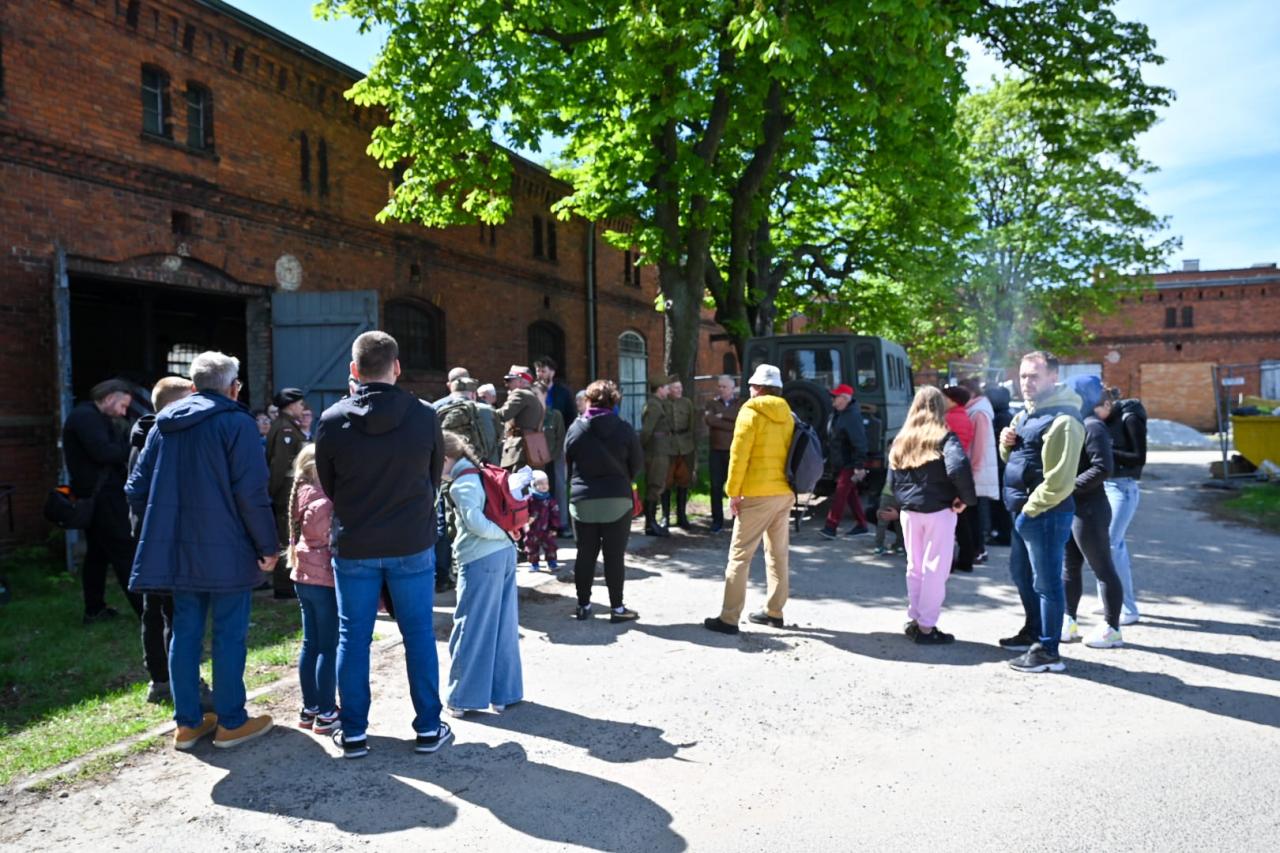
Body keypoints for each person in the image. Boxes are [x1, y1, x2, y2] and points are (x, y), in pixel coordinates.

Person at [126, 351, 277, 750]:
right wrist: (267, 545)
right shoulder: (237, 422)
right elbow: (251, 492)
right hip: (228, 548)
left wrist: (165, 524)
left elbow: (135, 490)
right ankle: (231, 721)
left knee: (185, 632)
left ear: (193, 387)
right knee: (229, 634)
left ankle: (188, 722)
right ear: (234, 387)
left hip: (176, 548)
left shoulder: (162, 425)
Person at [314, 331, 451, 759]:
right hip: (410, 539)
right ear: (396, 368)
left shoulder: (332, 420)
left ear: (354, 371)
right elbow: (433, 478)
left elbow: (329, 483)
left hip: (356, 540)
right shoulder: (425, 415)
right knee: (418, 635)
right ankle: (429, 726)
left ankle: (354, 731)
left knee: (352, 638)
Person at [998, 351, 1085, 674]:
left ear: (1053, 377)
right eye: (1023, 376)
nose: (1026, 382)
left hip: (1044, 515)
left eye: (1034, 376)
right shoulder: (1026, 415)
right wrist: (1006, 442)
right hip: (1023, 513)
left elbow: (1060, 482)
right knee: (1022, 576)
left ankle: (1049, 650)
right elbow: (1014, 461)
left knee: (1047, 583)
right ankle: (1033, 632)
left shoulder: (1064, 421)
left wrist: (1029, 512)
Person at [703, 364, 796, 634]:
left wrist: (733, 491)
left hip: (756, 493)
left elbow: (738, 455)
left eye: (752, 386)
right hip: (784, 492)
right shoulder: (788, 414)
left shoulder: (750, 411)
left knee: (739, 557)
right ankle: (774, 612)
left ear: (756, 387)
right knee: (778, 555)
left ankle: (729, 618)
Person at [439, 432, 522, 716]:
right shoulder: (482, 472)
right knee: (503, 625)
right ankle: (505, 694)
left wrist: (500, 534)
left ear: (447, 459)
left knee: (470, 627)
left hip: (480, 557)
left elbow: (474, 522)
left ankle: (462, 698)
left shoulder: (461, 483)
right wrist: (507, 536)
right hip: (505, 554)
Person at [889, 387, 976, 644]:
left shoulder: (902, 438)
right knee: (935, 569)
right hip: (939, 509)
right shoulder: (945, 437)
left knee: (914, 567)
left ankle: (915, 619)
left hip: (909, 511)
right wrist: (966, 499)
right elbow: (958, 466)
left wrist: (899, 501)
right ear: (940, 407)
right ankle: (927, 627)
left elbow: (892, 475)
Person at [128, 376, 195, 704]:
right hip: (160, 535)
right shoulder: (161, 437)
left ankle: (164, 677)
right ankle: (171, 679)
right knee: (168, 609)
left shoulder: (143, 433)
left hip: (148, 532)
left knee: (158, 608)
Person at [63, 378, 144, 624]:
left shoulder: (92, 417)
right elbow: (104, 452)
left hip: (100, 495)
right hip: (102, 498)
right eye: (122, 406)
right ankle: (146, 611)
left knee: (98, 555)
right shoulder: (86, 417)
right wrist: (134, 448)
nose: (123, 412)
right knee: (124, 550)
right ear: (110, 397)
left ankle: (94, 609)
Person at [565, 380, 643, 622]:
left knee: (585, 554)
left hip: (583, 500)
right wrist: (622, 479)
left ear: (588, 400)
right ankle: (617, 609)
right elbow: (637, 464)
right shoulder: (624, 428)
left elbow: (568, 461)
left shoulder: (576, 429)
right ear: (614, 401)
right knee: (614, 556)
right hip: (617, 499)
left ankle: (583, 606)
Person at [1061, 376, 1125, 649]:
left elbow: (1102, 468)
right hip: (1072, 507)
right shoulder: (1075, 423)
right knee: (1069, 567)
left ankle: (1112, 627)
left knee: (1102, 568)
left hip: (1090, 509)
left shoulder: (1093, 426)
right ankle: (1068, 620)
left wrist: (1068, 487)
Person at [286, 443, 340, 735]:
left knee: (311, 643)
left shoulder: (302, 493)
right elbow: (323, 537)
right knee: (327, 647)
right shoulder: (323, 500)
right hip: (323, 579)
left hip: (303, 575)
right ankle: (327, 711)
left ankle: (310, 708)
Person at [1103, 386, 1147, 625]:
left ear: (1108, 404)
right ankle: (1113, 602)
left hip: (1123, 487)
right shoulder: (1105, 420)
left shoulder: (1130, 418)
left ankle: (1128, 608)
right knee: (1109, 546)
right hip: (1106, 485)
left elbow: (1139, 458)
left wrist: (1106, 450)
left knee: (1111, 544)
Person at [266, 387, 307, 600]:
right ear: (291, 406)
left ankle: (287, 584)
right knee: (286, 537)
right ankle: (283, 587)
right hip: (285, 493)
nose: (302, 408)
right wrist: (273, 493)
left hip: (287, 492)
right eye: (300, 404)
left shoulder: (289, 426)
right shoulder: (286, 430)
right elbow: (280, 466)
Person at [820, 384, 869, 539]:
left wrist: (859, 465)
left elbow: (859, 442)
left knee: (840, 494)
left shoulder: (851, 416)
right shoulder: (837, 414)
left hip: (850, 463)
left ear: (845, 399)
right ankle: (862, 524)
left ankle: (830, 527)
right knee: (849, 494)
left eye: (835, 397)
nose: (832, 399)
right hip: (841, 462)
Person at [960, 378, 999, 565]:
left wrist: (972, 470)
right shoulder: (976, 409)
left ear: (971, 392)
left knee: (973, 515)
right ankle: (977, 549)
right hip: (977, 470)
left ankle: (978, 549)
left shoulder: (979, 412)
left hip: (977, 471)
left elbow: (979, 446)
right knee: (972, 514)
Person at [941, 385, 977, 574]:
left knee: (949, 522)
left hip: (948, 470)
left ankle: (950, 563)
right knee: (961, 520)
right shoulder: (965, 417)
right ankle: (966, 558)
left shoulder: (948, 418)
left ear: (952, 400)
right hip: (961, 469)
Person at [703, 374, 743, 534]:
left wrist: (722, 415)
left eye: (724, 386)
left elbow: (740, 420)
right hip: (716, 451)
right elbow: (710, 421)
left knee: (735, 487)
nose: (721, 389)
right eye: (719, 386)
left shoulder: (740, 403)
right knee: (716, 486)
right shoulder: (711, 403)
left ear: (733, 388)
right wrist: (729, 419)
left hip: (735, 451)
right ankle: (717, 520)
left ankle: (736, 520)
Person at [639, 375, 674, 536]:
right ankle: (650, 523)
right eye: (666, 387)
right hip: (656, 452)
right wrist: (644, 449)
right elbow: (647, 431)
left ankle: (651, 522)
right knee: (654, 486)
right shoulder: (653, 406)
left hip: (660, 450)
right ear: (659, 389)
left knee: (657, 485)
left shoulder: (659, 404)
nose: (668, 390)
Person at [533, 380, 569, 535]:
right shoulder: (529, 416)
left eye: (536, 394)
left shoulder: (554, 415)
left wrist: (551, 456)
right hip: (535, 462)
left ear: (545, 394)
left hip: (554, 458)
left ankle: (561, 524)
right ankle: (538, 525)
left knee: (558, 489)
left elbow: (561, 438)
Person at [662, 377, 698, 530]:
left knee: (683, 482)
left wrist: (691, 445)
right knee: (666, 483)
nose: (679, 391)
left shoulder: (687, 403)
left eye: (680, 388)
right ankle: (665, 516)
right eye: (676, 388)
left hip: (685, 446)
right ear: (669, 389)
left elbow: (691, 425)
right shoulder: (662, 404)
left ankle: (681, 516)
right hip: (668, 447)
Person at [495, 365, 545, 471]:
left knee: (516, 483)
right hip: (533, 445)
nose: (507, 385)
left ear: (520, 381)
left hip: (520, 448)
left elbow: (503, 415)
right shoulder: (534, 396)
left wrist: (485, 411)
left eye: (509, 380)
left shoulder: (520, 393)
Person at [986, 384, 1015, 546]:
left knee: (1000, 506)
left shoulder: (1001, 417)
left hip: (1000, 466)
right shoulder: (1003, 415)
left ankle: (1004, 535)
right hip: (1001, 465)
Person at [523, 469, 560, 572]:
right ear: (533, 485)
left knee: (551, 546)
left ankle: (552, 562)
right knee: (531, 547)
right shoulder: (529, 499)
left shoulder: (550, 500)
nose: (544, 486)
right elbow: (523, 512)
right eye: (540, 484)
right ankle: (534, 563)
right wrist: (525, 521)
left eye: (546, 483)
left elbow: (555, 513)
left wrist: (554, 526)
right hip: (532, 530)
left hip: (547, 529)